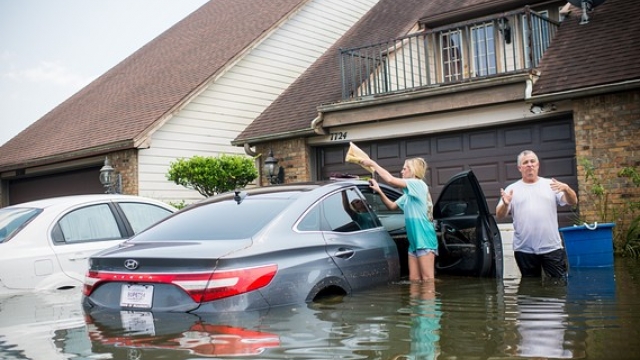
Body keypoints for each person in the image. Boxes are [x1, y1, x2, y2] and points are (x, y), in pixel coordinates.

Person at [496, 150, 578, 279]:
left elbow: (573, 201)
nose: (530, 165)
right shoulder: (512, 189)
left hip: (552, 248)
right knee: (529, 288)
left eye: (532, 161)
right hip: (524, 250)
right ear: (519, 168)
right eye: (525, 162)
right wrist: (506, 204)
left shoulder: (551, 185)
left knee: (558, 286)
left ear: (538, 164)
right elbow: (499, 215)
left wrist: (567, 189)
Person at [360, 157, 438, 282]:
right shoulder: (407, 196)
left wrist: (372, 164)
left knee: (427, 281)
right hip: (414, 243)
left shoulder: (418, 185)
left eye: (404, 168)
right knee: (414, 280)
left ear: (412, 171)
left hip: (424, 241)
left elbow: (390, 180)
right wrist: (380, 191)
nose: (402, 172)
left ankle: (429, 302)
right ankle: (416, 303)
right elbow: (391, 206)